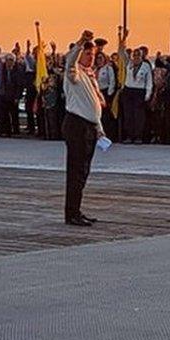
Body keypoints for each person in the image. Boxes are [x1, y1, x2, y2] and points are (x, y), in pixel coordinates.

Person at [62, 29, 106, 227]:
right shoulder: (75, 73)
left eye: (93, 54)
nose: (91, 57)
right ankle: (71, 213)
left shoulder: (89, 76)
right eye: (88, 54)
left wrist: (99, 127)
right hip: (76, 125)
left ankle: (76, 210)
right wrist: (81, 43)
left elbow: (93, 105)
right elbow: (70, 61)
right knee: (76, 172)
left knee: (83, 172)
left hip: (89, 126)